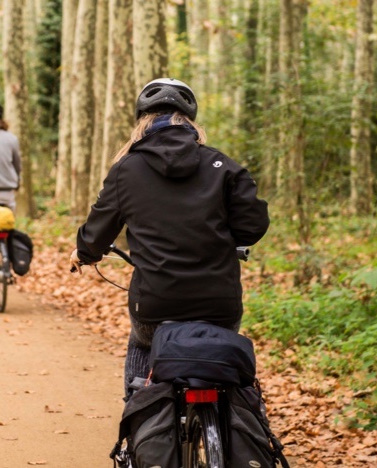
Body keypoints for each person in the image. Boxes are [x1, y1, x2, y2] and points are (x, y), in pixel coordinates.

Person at [69, 78, 270, 397]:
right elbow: (253, 225)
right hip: (219, 302)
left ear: (143, 121)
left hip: (155, 303)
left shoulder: (126, 170)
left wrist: (85, 253)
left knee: (141, 342)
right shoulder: (222, 165)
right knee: (222, 360)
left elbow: (97, 232)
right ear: (190, 121)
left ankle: (136, 429)